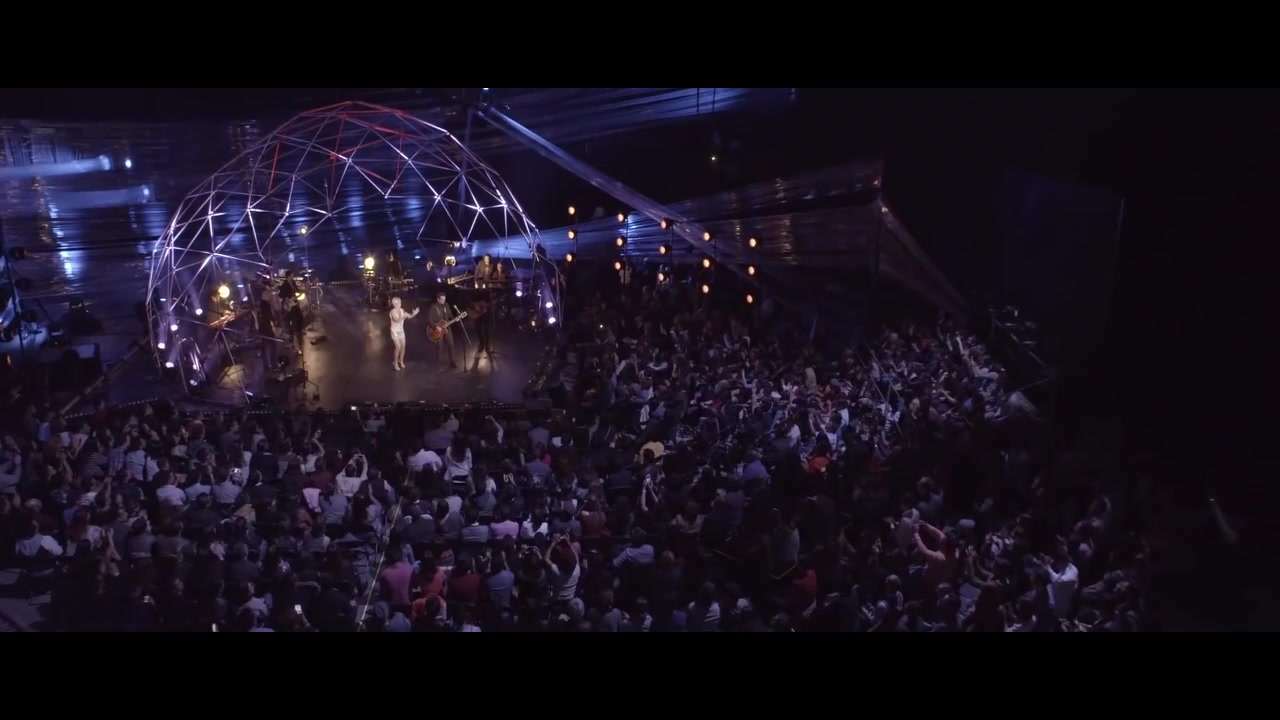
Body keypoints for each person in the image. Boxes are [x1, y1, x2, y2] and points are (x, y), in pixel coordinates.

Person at [425, 291, 456, 368]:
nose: (443, 301)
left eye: (444, 299)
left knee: (451, 344)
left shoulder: (446, 305)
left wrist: (456, 318)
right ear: (438, 299)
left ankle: (452, 361)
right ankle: (438, 362)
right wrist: (436, 326)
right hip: (437, 329)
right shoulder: (433, 307)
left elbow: (450, 315)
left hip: (447, 327)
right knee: (439, 346)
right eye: (442, 299)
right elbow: (429, 319)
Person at [388, 297, 420, 371]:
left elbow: (409, 316)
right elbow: (396, 320)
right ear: (394, 304)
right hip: (394, 331)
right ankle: (395, 363)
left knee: (403, 346)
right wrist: (404, 317)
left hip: (401, 331)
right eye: (398, 303)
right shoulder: (392, 312)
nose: (399, 304)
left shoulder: (402, 310)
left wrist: (414, 313)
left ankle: (401, 361)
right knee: (398, 347)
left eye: (400, 302)